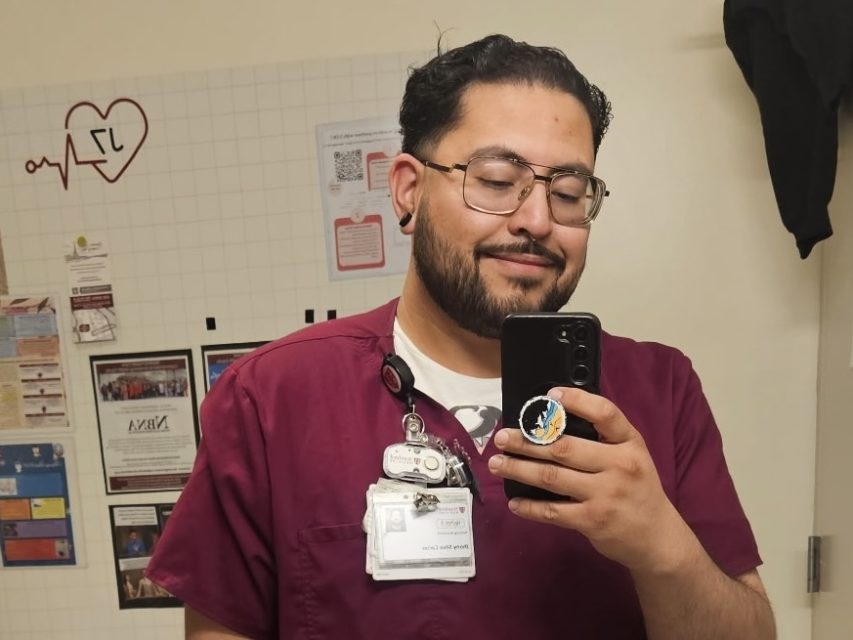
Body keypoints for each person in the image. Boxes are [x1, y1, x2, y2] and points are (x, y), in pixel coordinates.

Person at [146, 34, 775, 639]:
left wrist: (661, 546)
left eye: (568, 192)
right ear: (409, 190)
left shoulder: (659, 392)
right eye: (497, 181)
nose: (536, 220)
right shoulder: (272, 398)